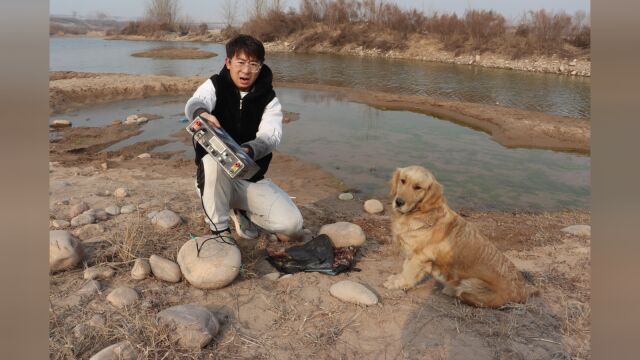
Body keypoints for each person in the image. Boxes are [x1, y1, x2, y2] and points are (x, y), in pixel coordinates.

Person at [185, 34, 303, 241]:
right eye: (240, 62)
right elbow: (197, 101)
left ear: (261, 66)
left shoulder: (269, 99)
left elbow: (271, 136)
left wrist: (247, 151)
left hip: (250, 179)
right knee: (213, 162)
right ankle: (220, 232)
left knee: (292, 225)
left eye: (253, 64)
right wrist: (201, 113)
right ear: (228, 63)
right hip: (215, 178)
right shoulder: (215, 85)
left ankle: (241, 211)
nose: (246, 70)